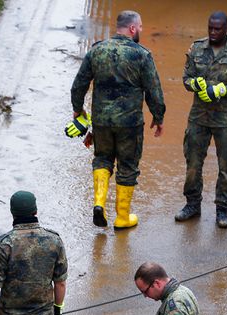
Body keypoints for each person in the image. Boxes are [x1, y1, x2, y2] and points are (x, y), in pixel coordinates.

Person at [69, 10, 165, 230]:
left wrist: (78, 110)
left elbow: (79, 85)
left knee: (102, 159)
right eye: (139, 27)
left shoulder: (97, 51)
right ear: (132, 28)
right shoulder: (141, 55)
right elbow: (154, 90)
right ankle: (122, 217)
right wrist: (158, 116)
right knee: (128, 166)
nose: (140, 30)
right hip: (129, 123)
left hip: (101, 121)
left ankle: (99, 204)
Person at [175, 11, 227, 229]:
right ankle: (192, 204)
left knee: (226, 165)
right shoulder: (197, 48)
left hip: (226, 119)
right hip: (199, 118)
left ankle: (223, 210)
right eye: (210, 28)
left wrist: (222, 90)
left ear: (226, 29)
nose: (212, 32)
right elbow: (186, 78)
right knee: (192, 164)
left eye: (217, 29)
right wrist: (195, 84)